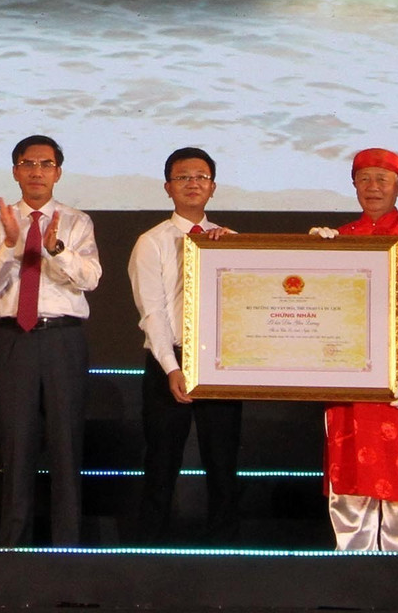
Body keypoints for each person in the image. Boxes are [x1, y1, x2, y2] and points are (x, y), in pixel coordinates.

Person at [309, 147, 398, 551]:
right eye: (364, 179)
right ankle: (352, 574)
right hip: (349, 379)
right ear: (353, 185)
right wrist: (313, 254)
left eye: (382, 180)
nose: (373, 187)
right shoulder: (340, 238)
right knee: (350, 481)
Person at [0, 134, 102, 546]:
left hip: (63, 337)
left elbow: (91, 279)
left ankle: (67, 547)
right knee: (17, 444)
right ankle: (14, 547)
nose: (37, 172)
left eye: (46, 164)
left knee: (66, 445)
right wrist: (11, 243)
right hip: (16, 338)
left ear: (58, 173)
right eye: (28, 164)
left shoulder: (77, 222)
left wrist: (57, 249)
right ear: (15, 172)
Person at [127, 147, 240, 546]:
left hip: (220, 361)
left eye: (201, 177)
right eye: (183, 177)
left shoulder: (231, 240)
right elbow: (152, 311)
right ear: (167, 187)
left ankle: (225, 551)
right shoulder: (152, 242)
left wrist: (232, 252)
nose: (193, 183)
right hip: (168, 359)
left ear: (213, 187)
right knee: (161, 461)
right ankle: (150, 551)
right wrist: (171, 367)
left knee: (223, 463)